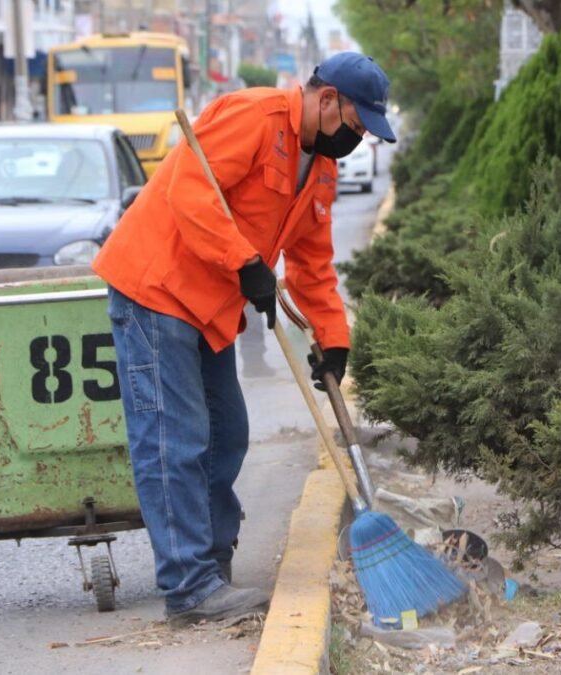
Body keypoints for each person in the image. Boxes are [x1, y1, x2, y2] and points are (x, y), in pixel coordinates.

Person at [92, 52, 396, 625]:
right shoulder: (253, 116)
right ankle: (188, 587)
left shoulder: (322, 170)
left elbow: (313, 262)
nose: (355, 140)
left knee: (227, 432)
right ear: (327, 99)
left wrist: (333, 339)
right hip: (156, 290)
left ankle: (211, 560)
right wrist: (244, 262)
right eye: (355, 126)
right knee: (173, 438)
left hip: (210, 306)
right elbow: (189, 193)